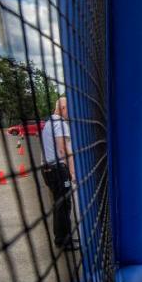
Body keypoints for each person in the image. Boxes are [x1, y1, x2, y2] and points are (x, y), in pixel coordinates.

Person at [41, 97, 79, 251]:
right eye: (69, 109)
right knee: (64, 205)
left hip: (48, 169)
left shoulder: (48, 123)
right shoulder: (60, 124)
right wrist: (72, 172)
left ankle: (62, 237)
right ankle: (63, 241)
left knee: (59, 204)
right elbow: (63, 150)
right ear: (63, 108)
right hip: (58, 170)